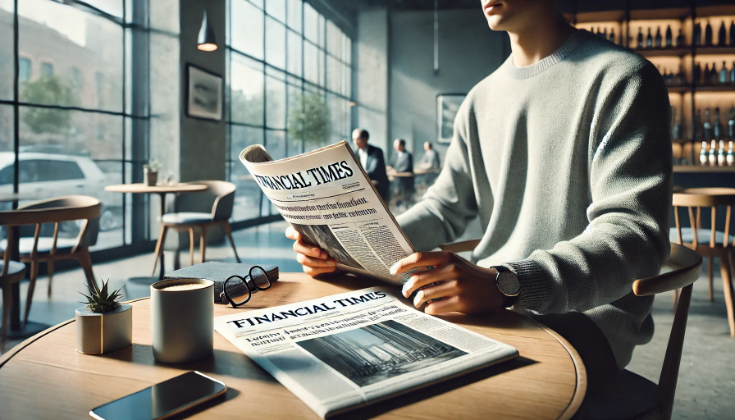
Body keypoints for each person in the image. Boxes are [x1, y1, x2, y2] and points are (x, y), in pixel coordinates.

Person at [287, 0, 671, 395]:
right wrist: (350, 244)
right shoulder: (479, 99)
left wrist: (510, 283)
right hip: (487, 297)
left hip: (585, 318)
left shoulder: (623, 78)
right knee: (347, 369)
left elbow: (634, 235)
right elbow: (443, 208)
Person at [352, 128, 390, 201]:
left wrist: (360, 174)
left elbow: (373, 169)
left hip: (378, 187)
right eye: (353, 139)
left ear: (365, 139)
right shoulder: (355, 153)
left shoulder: (376, 151)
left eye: (358, 139)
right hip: (364, 186)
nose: (355, 142)